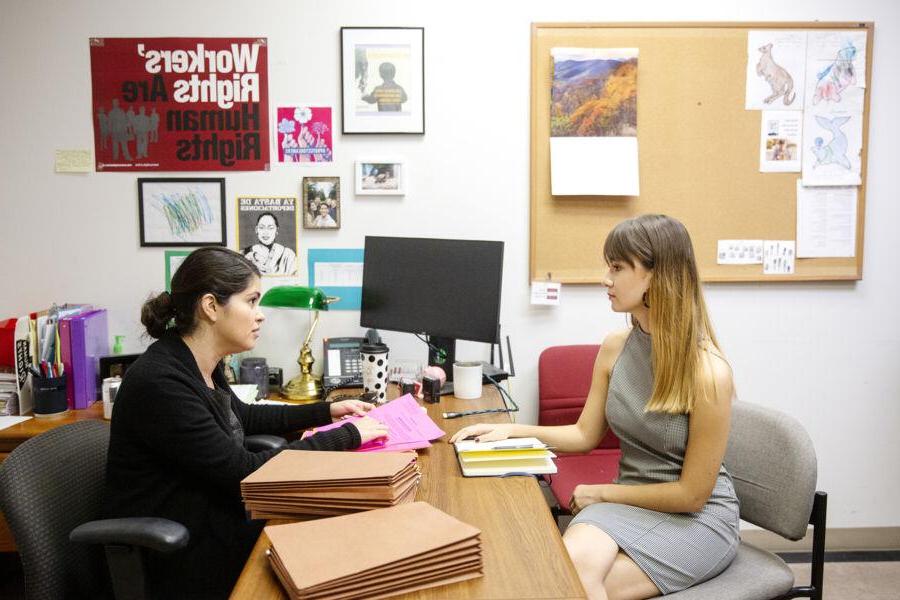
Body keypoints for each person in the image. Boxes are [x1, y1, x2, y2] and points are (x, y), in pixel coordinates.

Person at [450, 214, 739, 599]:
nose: (606, 279)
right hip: (631, 500)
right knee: (558, 574)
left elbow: (691, 495)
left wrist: (602, 493)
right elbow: (584, 435)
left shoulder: (709, 373)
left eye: (618, 268)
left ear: (658, 275)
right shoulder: (616, 347)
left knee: (565, 585)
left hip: (695, 521)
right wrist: (511, 430)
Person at [103, 247, 390, 598]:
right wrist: (346, 436)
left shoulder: (198, 362)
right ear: (210, 307)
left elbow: (244, 416)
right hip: (182, 550)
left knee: (344, 527)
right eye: (251, 301)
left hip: (216, 516)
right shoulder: (161, 382)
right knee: (336, 546)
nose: (260, 315)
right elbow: (244, 470)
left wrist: (326, 411)